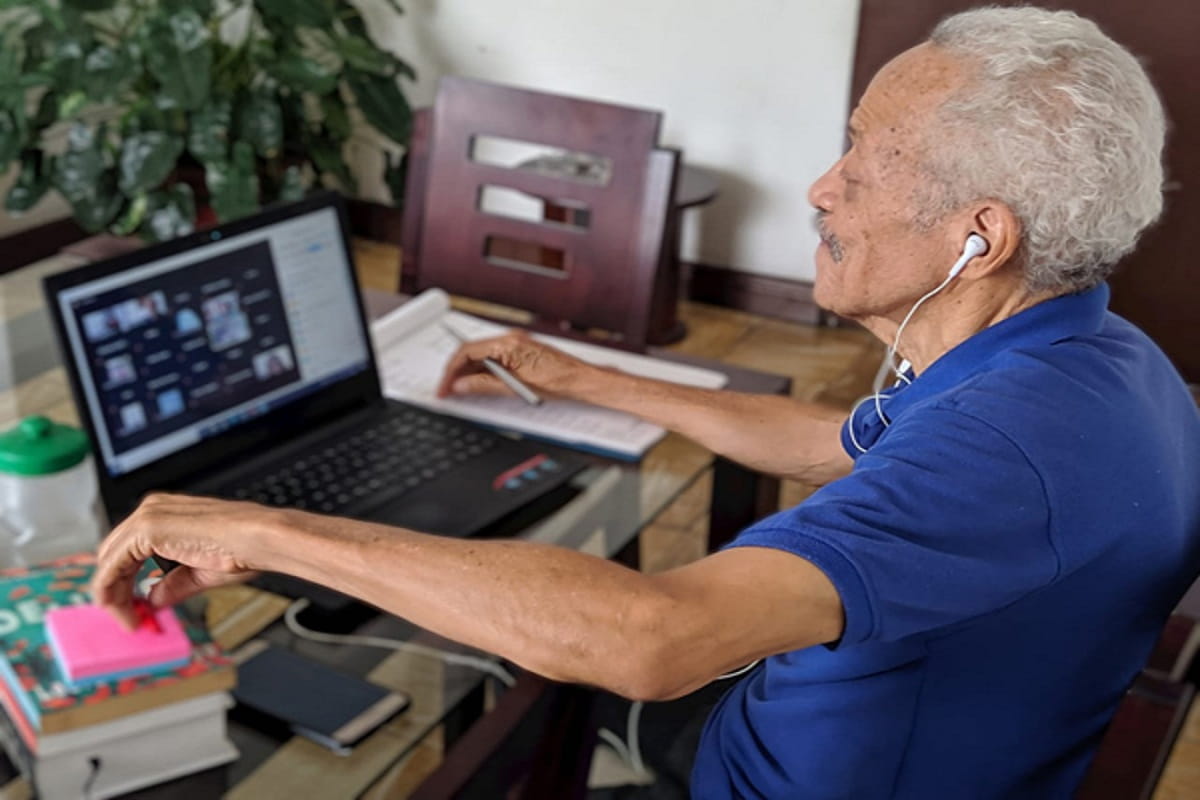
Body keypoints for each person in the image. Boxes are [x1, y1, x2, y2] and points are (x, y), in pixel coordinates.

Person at [92, 7, 1200, 798]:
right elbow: (838, 444)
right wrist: (591, 378)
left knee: (495, 710)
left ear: (981, 236)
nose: (822, 185)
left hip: (782, 770)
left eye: (866, 154)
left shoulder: (1008, 445)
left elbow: (653, 639)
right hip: (858, 731)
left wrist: (265, 528)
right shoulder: (1101, 360)